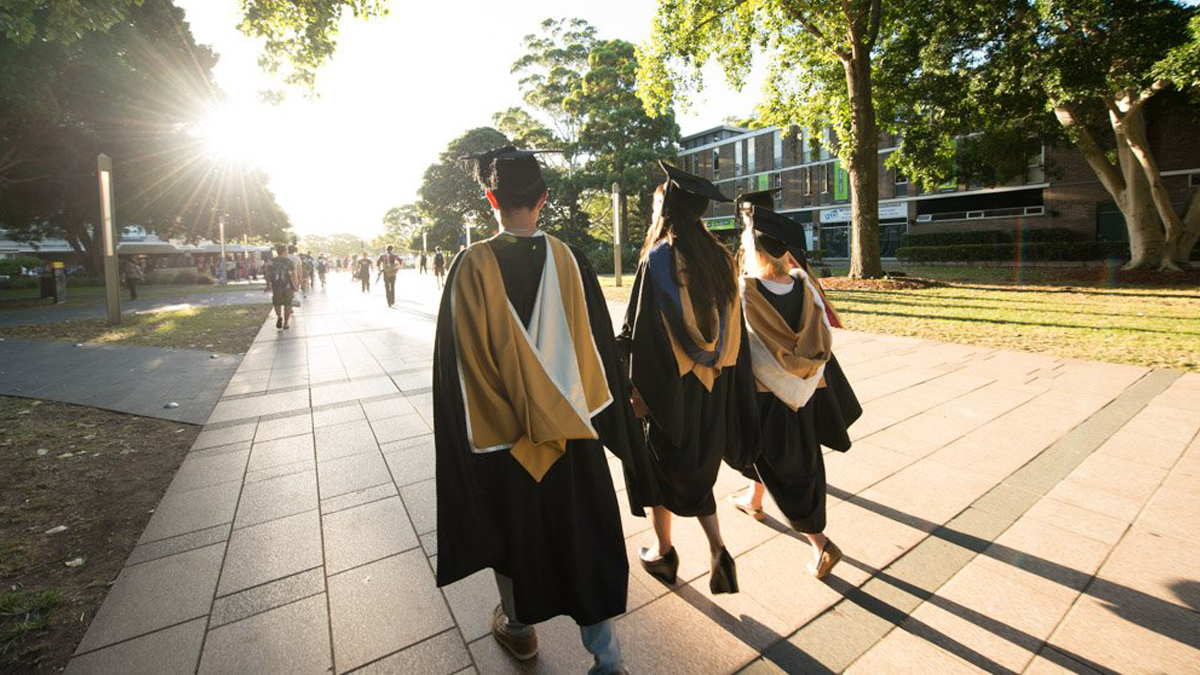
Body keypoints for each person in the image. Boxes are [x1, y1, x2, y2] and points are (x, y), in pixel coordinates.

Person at [434, 146, 654, 674]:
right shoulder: (571, 260)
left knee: (513, 537)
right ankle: (607, 660)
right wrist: (618, 434)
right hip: (574, 435)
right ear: (544, 199)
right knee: (585, 536)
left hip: (507, 446)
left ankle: (519, 629)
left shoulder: (468, 267)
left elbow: (458, 371)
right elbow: (599, 351)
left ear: (490, 199)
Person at [618, 160, 759, 595]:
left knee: (659, 469)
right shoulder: (720, 257)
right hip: (713, 385)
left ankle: (664, 553)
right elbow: (734, 329)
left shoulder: (659, 259)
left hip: (671, 388)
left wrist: (622, 371)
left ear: (669, 207)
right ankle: (718, 549)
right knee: (698, 471)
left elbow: (638, 332)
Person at [729, 191, 862, 579]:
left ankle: (820, 543)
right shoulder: (803, 286)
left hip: (767, 396)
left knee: (784, 470)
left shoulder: (746, 291)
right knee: (794, 459)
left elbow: (739, 347)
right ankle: (754, 500)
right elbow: (821, 337)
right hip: (803, 395)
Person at [268, 244, 299, 329]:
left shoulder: (271, 261)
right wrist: (296, 285)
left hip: (276, 285)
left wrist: (268, 284)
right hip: (287, 286)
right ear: (284, 252)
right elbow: (293, 274)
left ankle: (279, 317)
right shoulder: (289, 262)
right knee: (287, 304)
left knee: (277, 303)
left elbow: (268, 273)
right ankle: (286, 323)